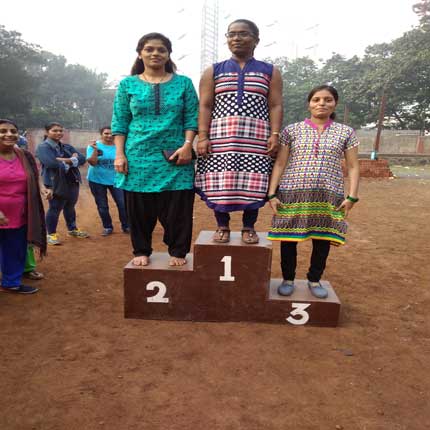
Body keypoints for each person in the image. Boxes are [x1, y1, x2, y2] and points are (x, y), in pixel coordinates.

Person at [112, 32, 198, 267]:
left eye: (161, 49)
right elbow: (120, 122)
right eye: (149, 49)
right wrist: (120, 154)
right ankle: (141, 249)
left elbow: (192, 118)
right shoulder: (127, 84)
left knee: (178, 208)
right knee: (139, 209)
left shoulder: (184, 83)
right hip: (138, 156)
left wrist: (188, 146)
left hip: (176, 156)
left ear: (168, 54)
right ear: (140, 53)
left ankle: (178, 251)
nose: (155, 53)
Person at [267, 85, 360, 299]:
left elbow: (354, 166)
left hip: (329, 195)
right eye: (316, 99)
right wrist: (272, 193)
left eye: (327, 99)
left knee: (322, 238)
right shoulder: (292, 130)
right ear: (309, 103)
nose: (321, 103)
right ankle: (288, 279)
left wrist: (352, 196)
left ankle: (314, 279)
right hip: (292, 193)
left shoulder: (346, 132)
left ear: (335, 103)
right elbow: (280, 163)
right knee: (288, 238)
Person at [195, 19, 283, 245]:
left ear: (256, 39)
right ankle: (222, 225)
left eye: (243, 34)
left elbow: (275, 105)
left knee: (253, 182)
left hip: (256, 139)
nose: (236, 38)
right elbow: (205, 105)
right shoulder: (213, 71)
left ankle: (248, 227)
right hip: (220, 139)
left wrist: (274, 135)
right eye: (231, 34)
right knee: (220, 181)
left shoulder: (270, 71)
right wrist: (202, 136)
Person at [0, 119, 46, 294]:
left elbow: (34, 176)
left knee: (16, 248)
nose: (9, 134)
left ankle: (10, 282)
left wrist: (42, 188)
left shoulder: (24, 156)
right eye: (3, 131)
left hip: (19, 213)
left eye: (13, 131)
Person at [36, 122, 89, 245]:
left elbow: (82, 159)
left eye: (60, 130)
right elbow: (51, 163)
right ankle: (51, 234)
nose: (58, 133)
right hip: (55, 183)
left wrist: (64, 160)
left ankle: (72, 229)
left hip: (72, 181)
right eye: (55, 130)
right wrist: (72, 160)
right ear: (47, 132)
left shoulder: (66, 147)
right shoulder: (43, 147)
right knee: (55, 208)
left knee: (70, 207)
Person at [86, 126, 129, 236]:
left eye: (112, 134)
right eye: (106, 133)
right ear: (101, 134)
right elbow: (92, 163)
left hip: (116, 180)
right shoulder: (93, 146)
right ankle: (107, 227)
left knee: (123, 204)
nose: (109, 136)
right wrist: (95, 150)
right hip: (97, 180)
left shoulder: (120, 147)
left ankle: (126, 226)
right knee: (102, 205)